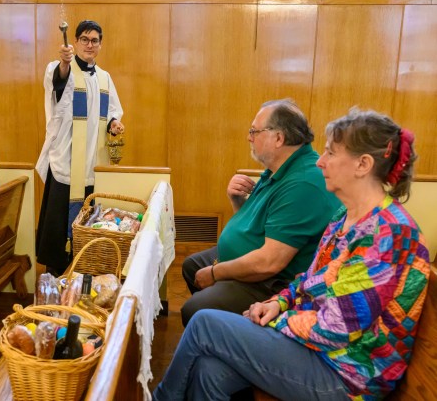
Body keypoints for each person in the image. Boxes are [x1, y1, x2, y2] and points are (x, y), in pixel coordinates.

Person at [153, 109, 431, 400]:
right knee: (209, 370)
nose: (320, 162)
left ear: (363, 164)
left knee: (204, 323)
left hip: (348, 376)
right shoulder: (344, 217)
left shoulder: (390, 233)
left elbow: (336, 328)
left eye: (331, 153)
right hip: (318, 350)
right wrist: (277, 303)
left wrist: (275, 322)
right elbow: (310, 279)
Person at [181, 99, 341, 326]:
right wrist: (237, 201)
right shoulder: (280, 167)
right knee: (192, 266)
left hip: (271, 281)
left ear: (279, 138)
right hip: (259, 258)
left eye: (254, 131)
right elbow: (254, 223)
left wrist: (216, 273)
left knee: (195, 309)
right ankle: (218, 328)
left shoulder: (303, 182)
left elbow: (270, 262)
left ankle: (221, 337)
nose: (249, 137)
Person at [36, 20, 125, 275]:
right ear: (74, 42)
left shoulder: (105, 78)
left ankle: (87, 271)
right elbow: (58, 83)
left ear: (100, 44)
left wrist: (115, 123)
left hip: (93, 164)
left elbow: (111, 112)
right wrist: (65, 62)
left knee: (90, 221)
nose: (89, 44)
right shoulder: (58, 68)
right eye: (84, 39)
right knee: (59, 228)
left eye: (94, 40)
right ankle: (56, 276)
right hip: (67, 162)